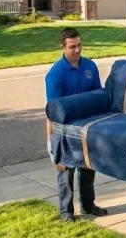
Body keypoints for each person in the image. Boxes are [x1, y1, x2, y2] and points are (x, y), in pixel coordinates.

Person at [44, 28, 108, 222]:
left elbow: (98, 96)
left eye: (79, 45)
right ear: (62, 47)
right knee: (66, 171)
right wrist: (50, 140)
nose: (77, 50)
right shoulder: (55, 74)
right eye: (72, 47)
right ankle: (66, 212)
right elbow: (54, 110)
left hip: (86, 127)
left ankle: (88, 205)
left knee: (88, 167)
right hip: (64, 129)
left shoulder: (90, 66)